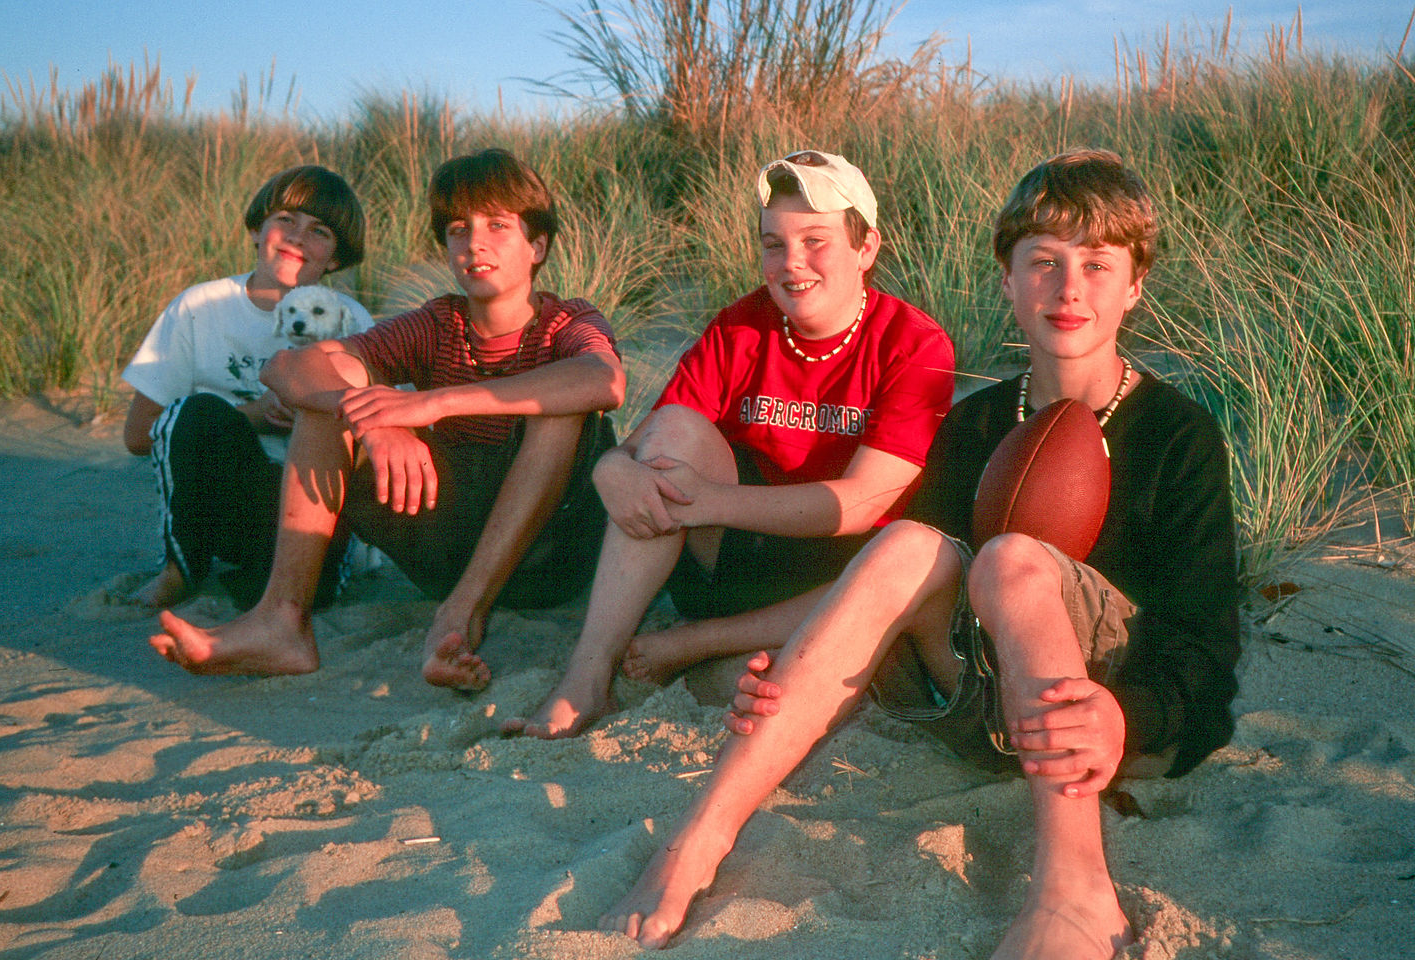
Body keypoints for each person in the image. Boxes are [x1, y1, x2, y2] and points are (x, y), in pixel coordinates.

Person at [598, 149, 1240, 958]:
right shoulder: (974, 425)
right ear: (1006, 280)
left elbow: (1208, 644)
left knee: (1009, 558)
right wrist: (790, 665)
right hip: (975, 704)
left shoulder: (1178, 434)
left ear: (1135, 285)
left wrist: (1129, 716)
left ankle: (1075, 889)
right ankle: (697, 839)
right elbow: (886, 592)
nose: (1069, 288)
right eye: (1042, 262)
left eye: (1097, 265)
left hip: (1100, 716)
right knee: (906, 541)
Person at [504, 149, 956, 738]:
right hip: (734, 562)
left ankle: (701, 648)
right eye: (774, 244)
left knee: (784, 662)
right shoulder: (742, 326)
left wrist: (707, 501)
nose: (792, 264)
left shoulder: (913, 343)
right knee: (675, 433)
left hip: (837, 578)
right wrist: (610, 469)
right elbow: (648, 442)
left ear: (866, 247)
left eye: (815, 240)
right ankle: (585, 680)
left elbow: (863, 503)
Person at [149, 148, 625, 690]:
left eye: (498, 225)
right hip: (446, 545)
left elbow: (603, 380)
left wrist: (433, 403)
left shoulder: (566, 321)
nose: (475, 244)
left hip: (550, 555)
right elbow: (290, 366)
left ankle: (459, 617)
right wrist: (378, 423)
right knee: (331, 401)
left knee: (560, 411)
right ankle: (281, 623)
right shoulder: (435, 322)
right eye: (457, 229)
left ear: (537, 245)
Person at [121, 164, 374, 610]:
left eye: (319, 231)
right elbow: (140, 435)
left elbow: (378, 441)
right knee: (195, 411)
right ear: (259, 229)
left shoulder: (351, 320)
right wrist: (252, 416)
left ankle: (287, 576)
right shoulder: (201, 307)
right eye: (285, 220)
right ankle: (180, 568)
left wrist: (314, 414)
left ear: (335, 257)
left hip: (310, 507)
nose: (297, 238)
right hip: (225, 499)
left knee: (280, 599)